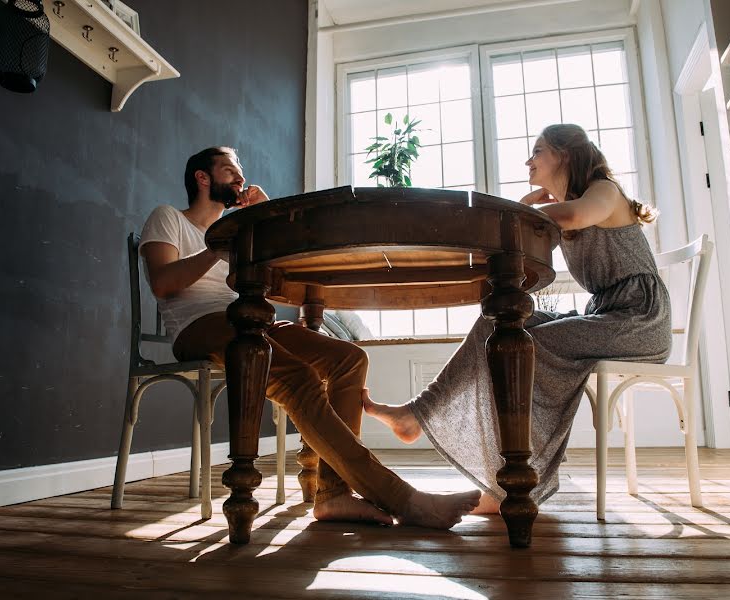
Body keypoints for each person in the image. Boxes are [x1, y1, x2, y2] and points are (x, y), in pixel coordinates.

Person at [139, 146, 480, 527]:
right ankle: (400, 497)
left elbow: (270, 283)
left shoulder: (239, 232)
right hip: (198, 326)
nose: (240, 178)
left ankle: (333, 494)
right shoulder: (168, 218)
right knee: (297, 376)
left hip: (250, 320)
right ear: (202, 178)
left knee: (349, 359)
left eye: (240, 172)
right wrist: (218, 249)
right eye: (229, 171)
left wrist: (263, 223)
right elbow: (163, 284)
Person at [363, 124, 672, 514]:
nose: (529, 160)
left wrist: (524, 210)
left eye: (538, 151)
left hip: (638, 319)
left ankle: (510, 486)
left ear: (565, 154)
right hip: (606, 316)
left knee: (519, 348)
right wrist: (528, 208)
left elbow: (574, 214)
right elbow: (536, 240)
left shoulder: (604, 191)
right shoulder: (572, 208)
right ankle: (417, 414)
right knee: (499, 325)